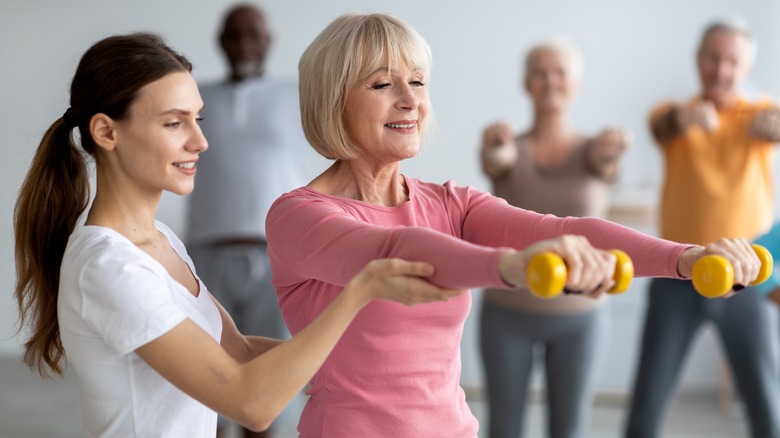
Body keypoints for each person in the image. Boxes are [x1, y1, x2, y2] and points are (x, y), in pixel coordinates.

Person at [265, 13, 763, 438]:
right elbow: (398, 250)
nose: (410, 100)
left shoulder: (450, 201)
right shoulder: (299, 216)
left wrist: (686, 257)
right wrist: (515, 267)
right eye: (382, 84)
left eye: (417, 81)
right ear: (333, 100)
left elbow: (562, 227)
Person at [12, 32, 465, 437]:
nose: (199, 142)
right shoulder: (109, 266)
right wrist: (360, 291)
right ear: (106, 131)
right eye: (174, 123)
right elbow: (252, 404)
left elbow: (240, 351)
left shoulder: (160, 241)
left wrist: (387, 374)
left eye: (198, 120)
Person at [623, 19, 780, 438]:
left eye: (732, 61)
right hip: (676, 274)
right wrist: (683, 118)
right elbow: (662, 125)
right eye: (714, 58)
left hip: (750, 276)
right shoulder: (673, 117)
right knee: (646, 406)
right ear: (698, 60)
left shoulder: (764, 116)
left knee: (768, 410)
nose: (722, 70)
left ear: (746, 67)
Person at [478, 38, 629, 438]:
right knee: (503, 428)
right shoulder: (508, 147)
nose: (551, 82)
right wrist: (495, 147)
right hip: (506, 315)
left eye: (560, 73)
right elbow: (497, 161)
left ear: (577, 83)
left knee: (570, 429)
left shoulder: (596, 150)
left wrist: (613, 151)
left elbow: (608, 164)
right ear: (526, 83)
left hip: (580, 320)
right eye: (540, 73)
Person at [184, 5, 309, 436]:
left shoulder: (298, 96)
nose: (243, 45)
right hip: (205, 255)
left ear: (268, 40)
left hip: (274, 256)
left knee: (267, 379)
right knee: (209, 380)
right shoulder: (194, 99)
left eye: (253, 34)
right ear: (221, 41)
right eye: (234, 36)